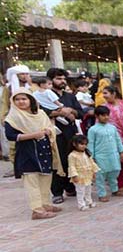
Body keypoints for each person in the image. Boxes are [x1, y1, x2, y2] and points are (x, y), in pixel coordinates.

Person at [3, 90, 64, 219]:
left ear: (31, 100)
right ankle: (37, 210)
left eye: (24, 99)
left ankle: (46, 204)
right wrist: (33, 135)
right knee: (32, 182)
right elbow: (10, 136)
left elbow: (50, 127)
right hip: (27, 153)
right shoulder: (13, 117)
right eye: (17, 99)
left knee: (45, 178)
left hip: (44, 150)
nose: (21, 101)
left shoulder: (41, 114)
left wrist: (48, 130)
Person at [45, 68, 83, 203]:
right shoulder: (45, 95)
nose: (62, 81)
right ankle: (57, 192)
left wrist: (71, 111)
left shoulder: (70, 97)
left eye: (63, 79)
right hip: (55, 134)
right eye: (58, 79)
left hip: (70, 133)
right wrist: (59, 113)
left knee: (71, 160)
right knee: (58, 162)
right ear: (51, 80)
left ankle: (70, 187)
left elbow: (80, 113)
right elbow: (40, 112)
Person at [87, 105, 123, 202]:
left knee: (114, 172)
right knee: (100, 176)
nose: (106, 117)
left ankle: (115, 190)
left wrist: (121, 152)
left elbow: (118, 140)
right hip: (100, 156)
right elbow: (90, 144)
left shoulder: (112, 128)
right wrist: (91, 157)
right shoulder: (93, 130)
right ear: (97, 116)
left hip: (113, 155)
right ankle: (102, 194)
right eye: (103, 115)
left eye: (107, 115)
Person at [68, 134, 100, 211]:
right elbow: (71, 166)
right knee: (80, 191)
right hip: (79, 176)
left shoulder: (86, 153)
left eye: (85, 144)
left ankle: (89, 201)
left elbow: (91, 163)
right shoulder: (72, 155)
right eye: (81, 144)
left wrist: (93, 172)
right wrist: (74, 175)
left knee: (88, 189)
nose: (84, 146)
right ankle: (81, 204)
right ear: (74, 144)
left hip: (87, 175)